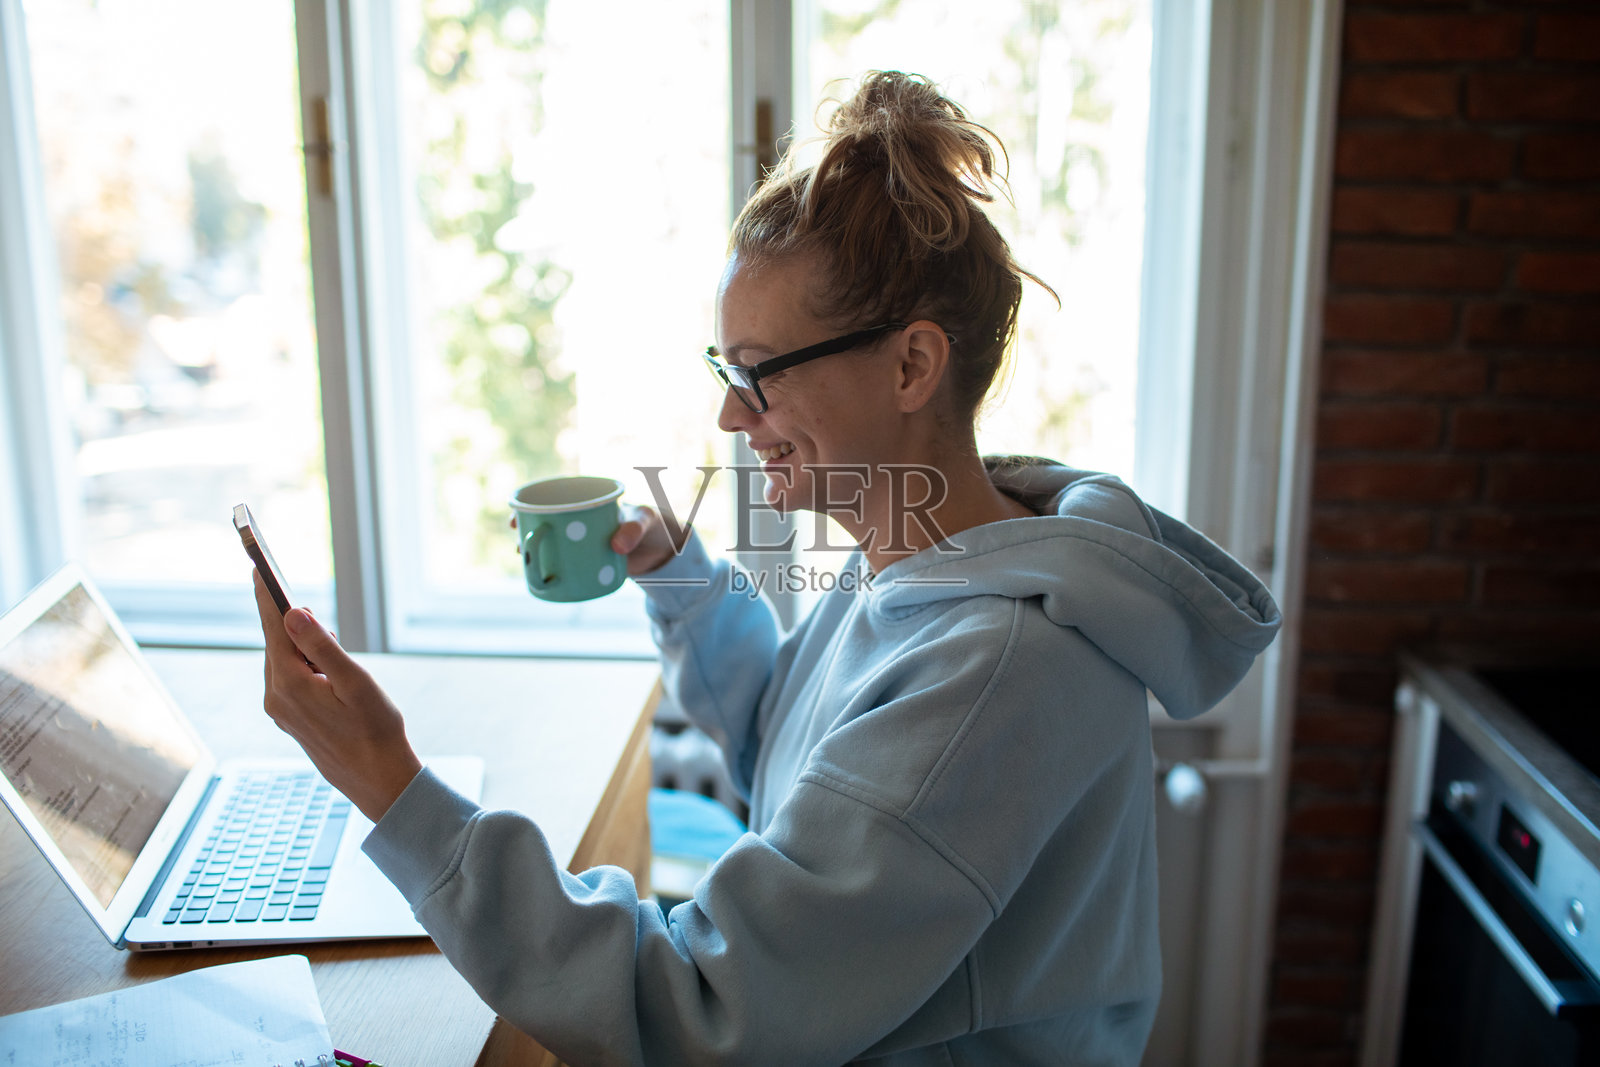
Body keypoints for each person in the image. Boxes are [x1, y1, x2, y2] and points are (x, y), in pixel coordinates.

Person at [253, 71, 1281, 1066]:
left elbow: (702, 1009)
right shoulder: (928, 564)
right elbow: (786, 740)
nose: (729, 415)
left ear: (912, 365)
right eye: (724, 371)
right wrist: (682, 580)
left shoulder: (998, 666)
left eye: (758, 373)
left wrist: (391, 785)